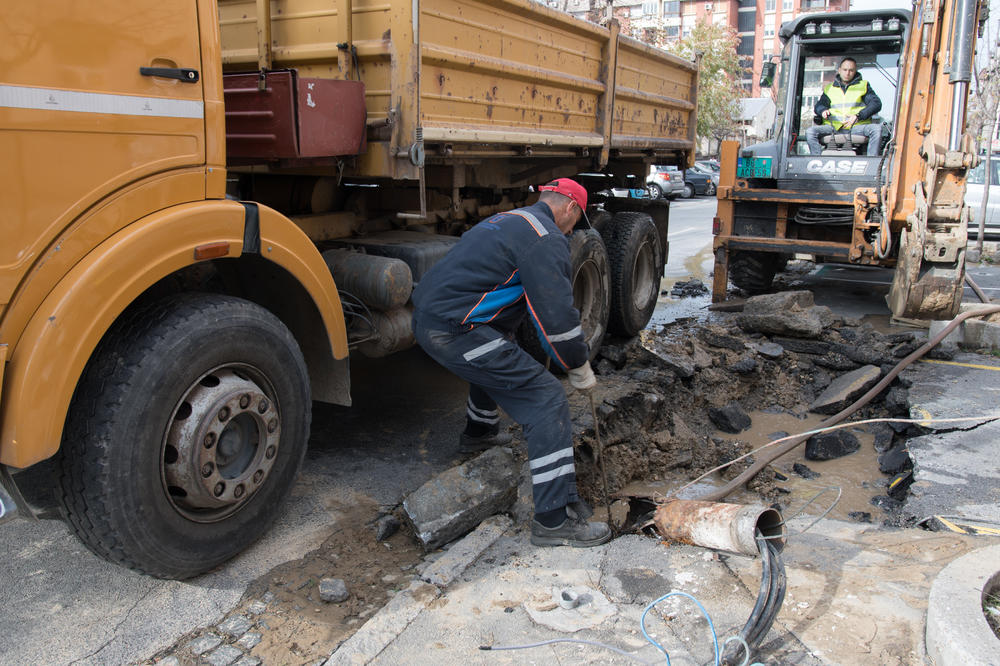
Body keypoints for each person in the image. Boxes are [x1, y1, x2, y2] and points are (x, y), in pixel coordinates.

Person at [411, 178, 612, 548]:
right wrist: (578, 365)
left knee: (497, 350)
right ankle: (553, 521)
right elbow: (556, 317)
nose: (572, 231)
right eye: (576, 222)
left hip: (430, 320)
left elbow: (506, 302)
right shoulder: (546, 237)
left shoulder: (509, 220)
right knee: (547, 399)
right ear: (569, 208)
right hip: (456, 329)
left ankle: (479, 433)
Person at [806, 57, 883, 156]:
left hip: (856, 127)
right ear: (839, 70)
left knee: (876, 129)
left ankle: (873, 164)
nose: (847, 73)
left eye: (851, 70)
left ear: (855, 71)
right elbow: (819, 106)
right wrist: (822, 110)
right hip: (833, 127)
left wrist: (858, 116)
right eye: (845, 70)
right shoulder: (830, 88)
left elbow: (876, 104)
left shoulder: (863, 86)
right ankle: (816, 161)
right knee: (810, 132)